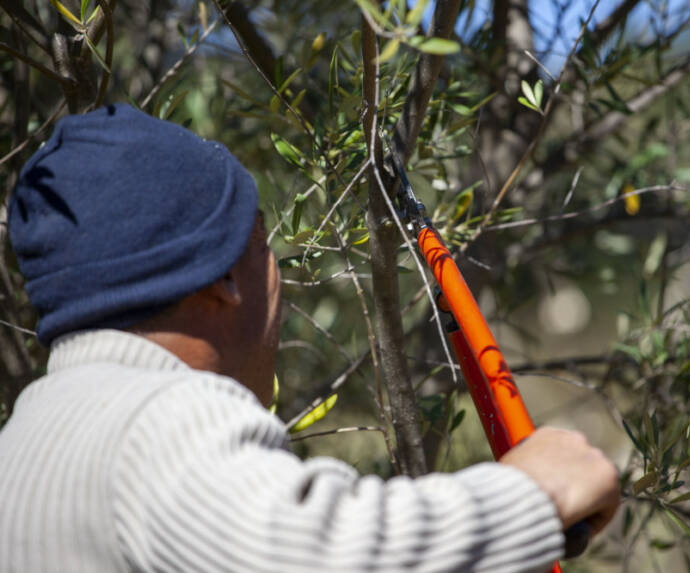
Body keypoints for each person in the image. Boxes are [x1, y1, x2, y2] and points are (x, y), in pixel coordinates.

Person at [0, 104, 620, 572]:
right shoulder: (162, 421)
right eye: (263, 245)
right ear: (221, 278)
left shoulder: (23, 443)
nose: (279, 278)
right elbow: (320, 551)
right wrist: (532, 496)